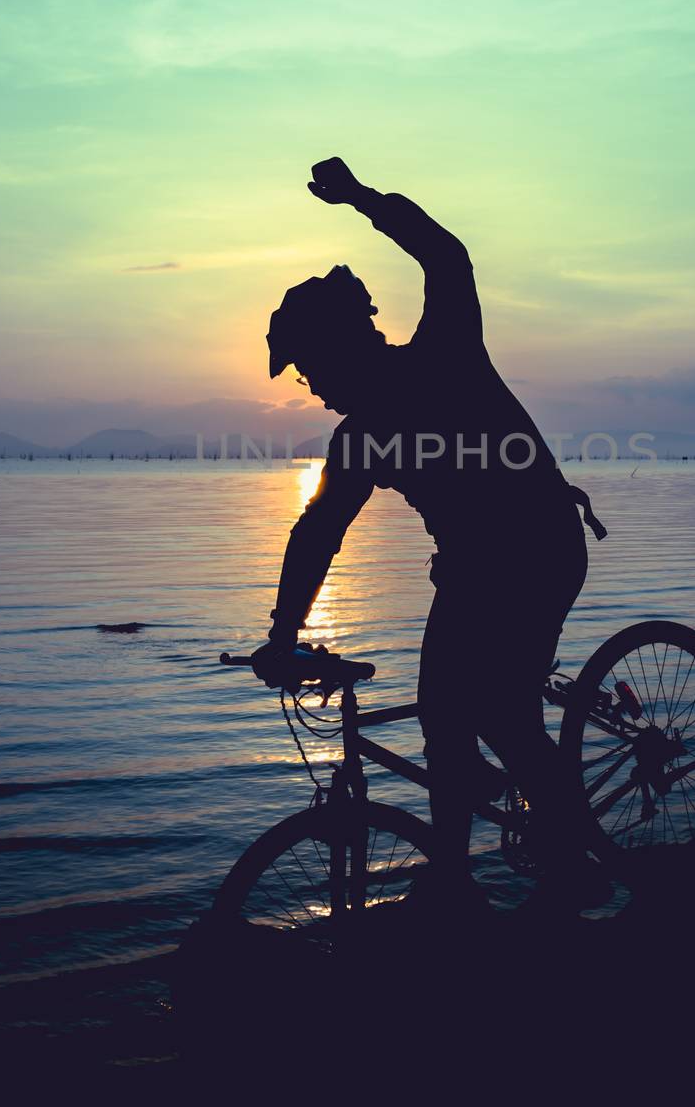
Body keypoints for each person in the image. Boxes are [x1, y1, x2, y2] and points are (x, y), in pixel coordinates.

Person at [250, 158, 607, 910]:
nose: (309, 389)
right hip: (472, 569)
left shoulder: (443, 354)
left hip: (540, 549)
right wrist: (282, 632)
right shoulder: (359, 439)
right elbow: (317, 533)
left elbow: (446, 256)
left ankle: (576, 868)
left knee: (501, 715)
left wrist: (360, 200)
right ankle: (453, 878)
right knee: (442, 716)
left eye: (309, 368)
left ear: (344, 344)